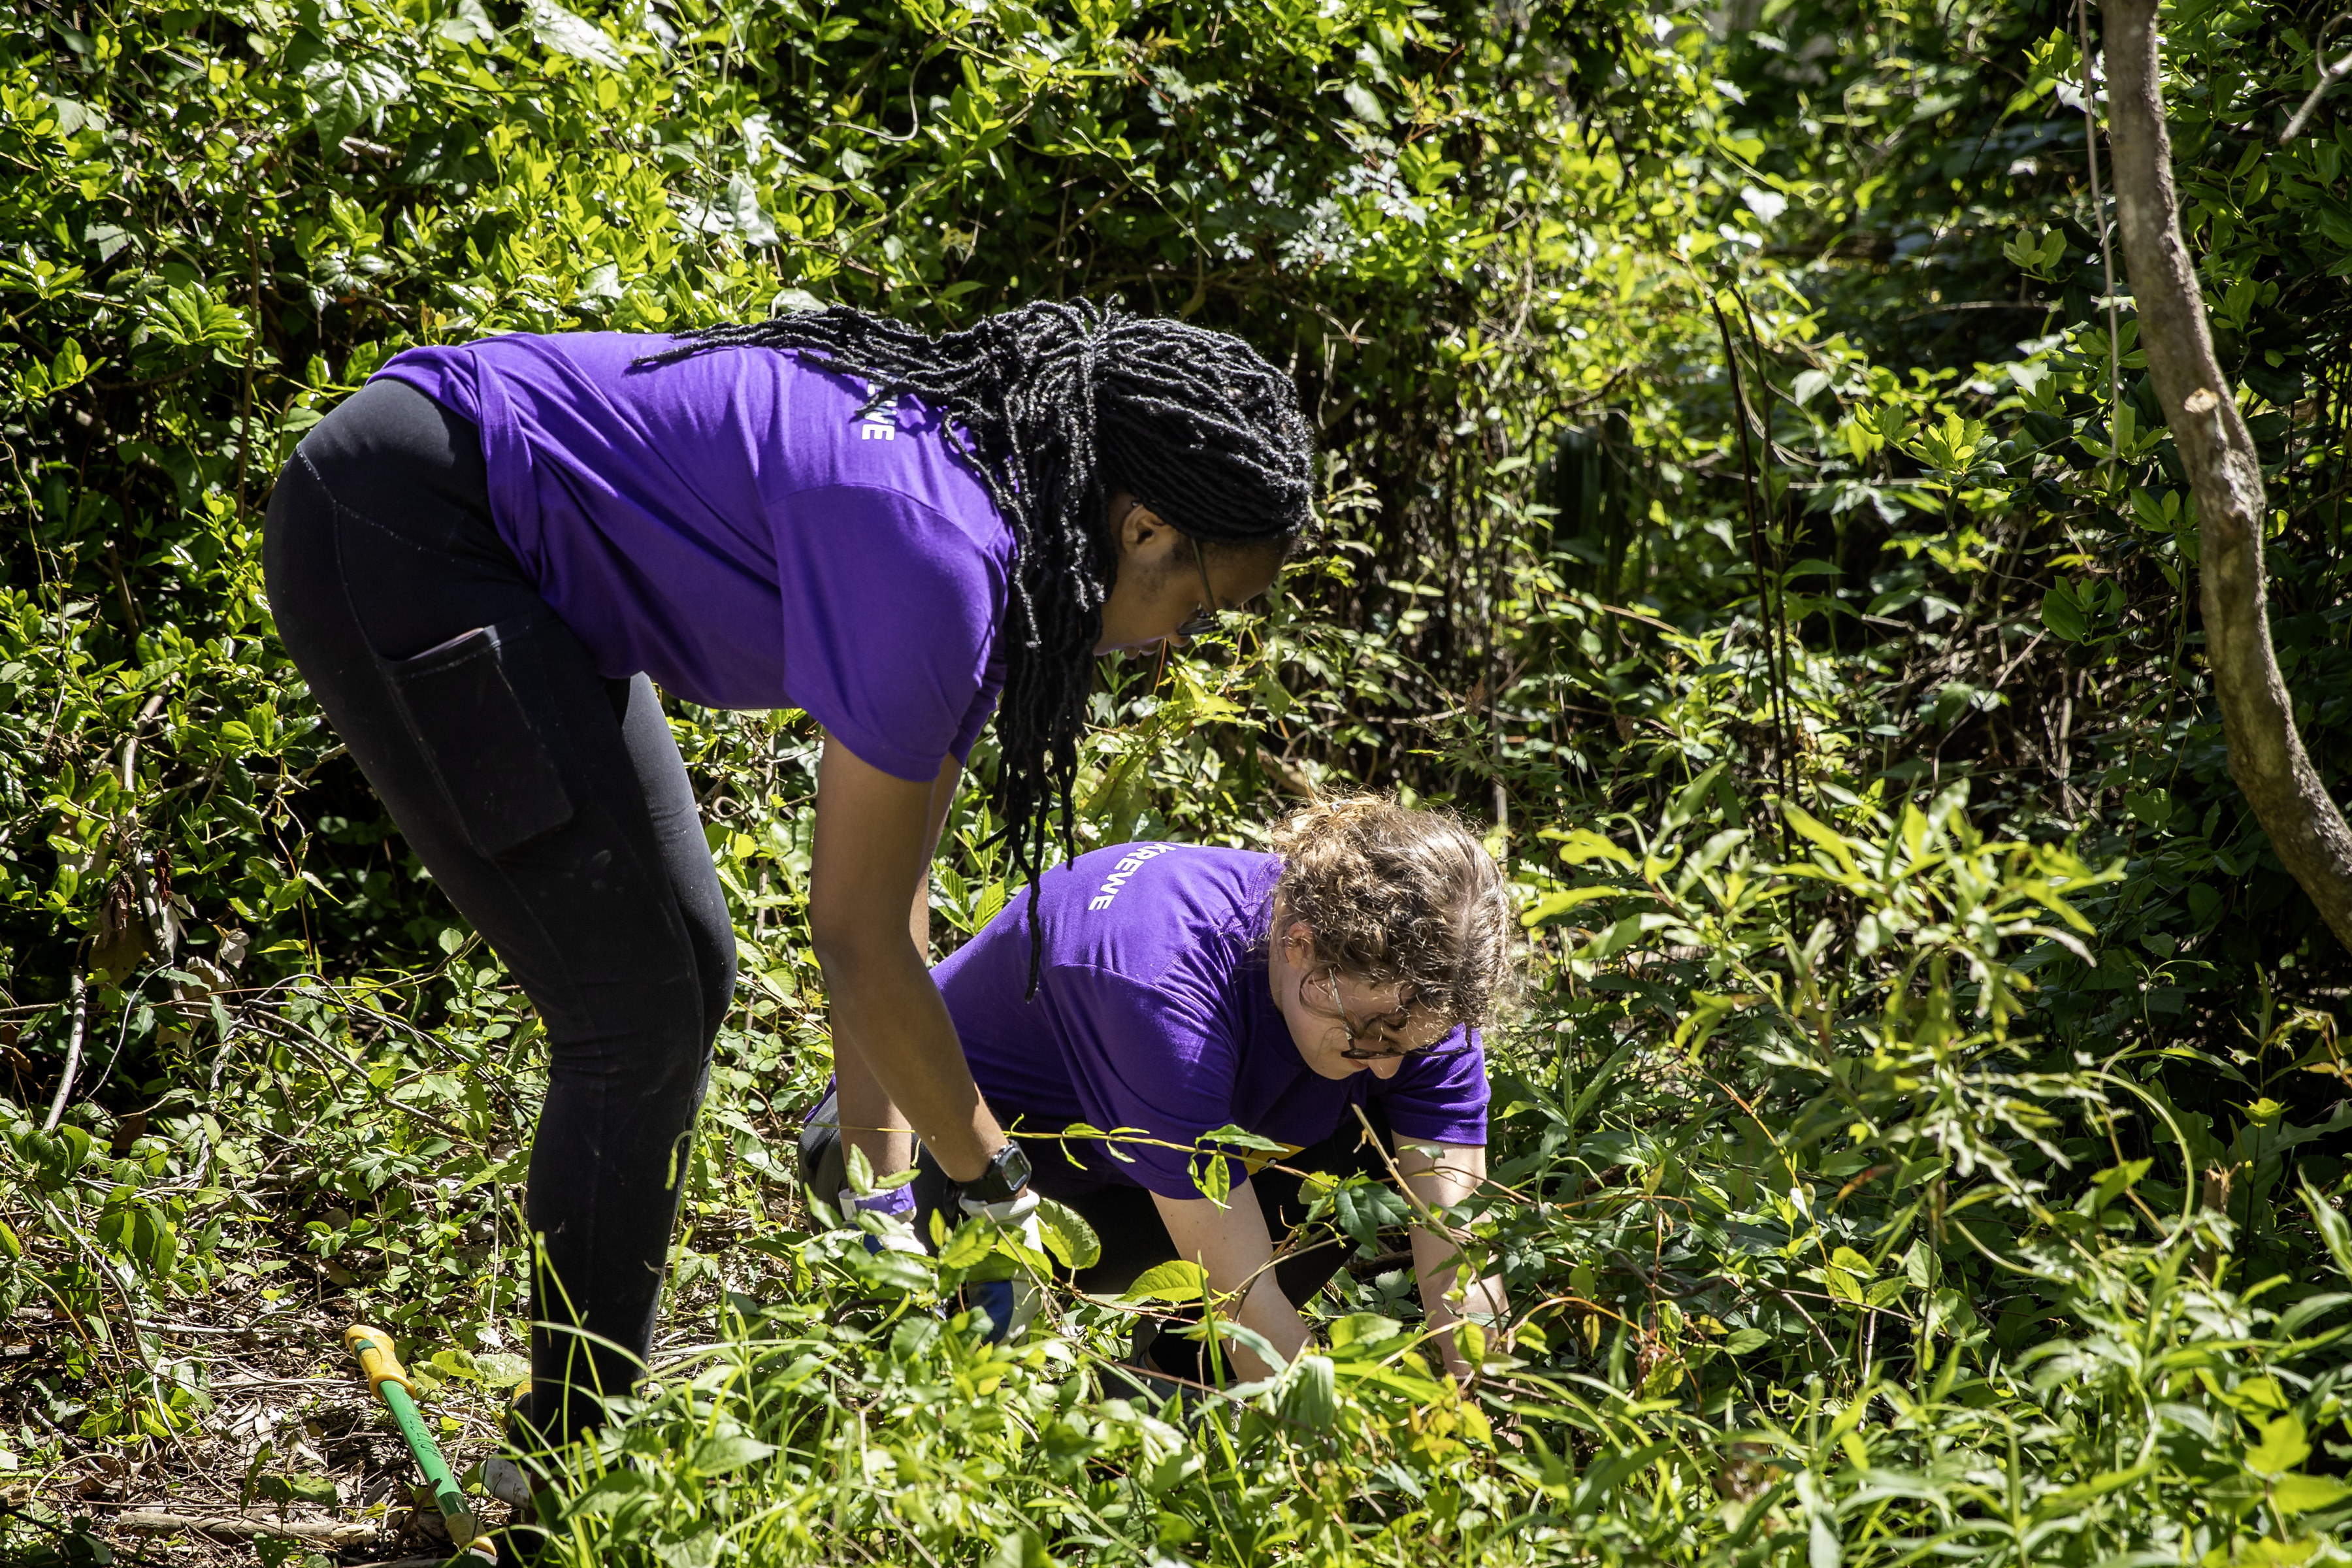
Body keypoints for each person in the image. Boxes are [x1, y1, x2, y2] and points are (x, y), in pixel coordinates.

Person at [262, 301, 1315, 1444]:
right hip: (412, 522)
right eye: (1198, 607)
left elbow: (892, 905)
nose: (1173, 642)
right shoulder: (939, 556)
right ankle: (571, 1456)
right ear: (1148, 529)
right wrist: (991, 1185)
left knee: (686, 976)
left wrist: (882, 1180)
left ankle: (583, 1418)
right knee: (641, 1008)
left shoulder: (1001, 552)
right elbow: (852, 935)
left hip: (523, 570)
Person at [809, 795, 1514, 1385]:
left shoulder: (1412, 992)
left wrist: (1489, 1419)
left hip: (1114, 1175)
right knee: (953, 1371)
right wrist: (1350, 1466)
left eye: (1410, 1043)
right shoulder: (1162, 991)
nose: (1388, 1064)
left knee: (1375, 1161)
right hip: (919, 1155)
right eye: (1370, 1035)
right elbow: (1243, 1299)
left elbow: (1459, 1243)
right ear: (1301, 943)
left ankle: (1180, 1378)